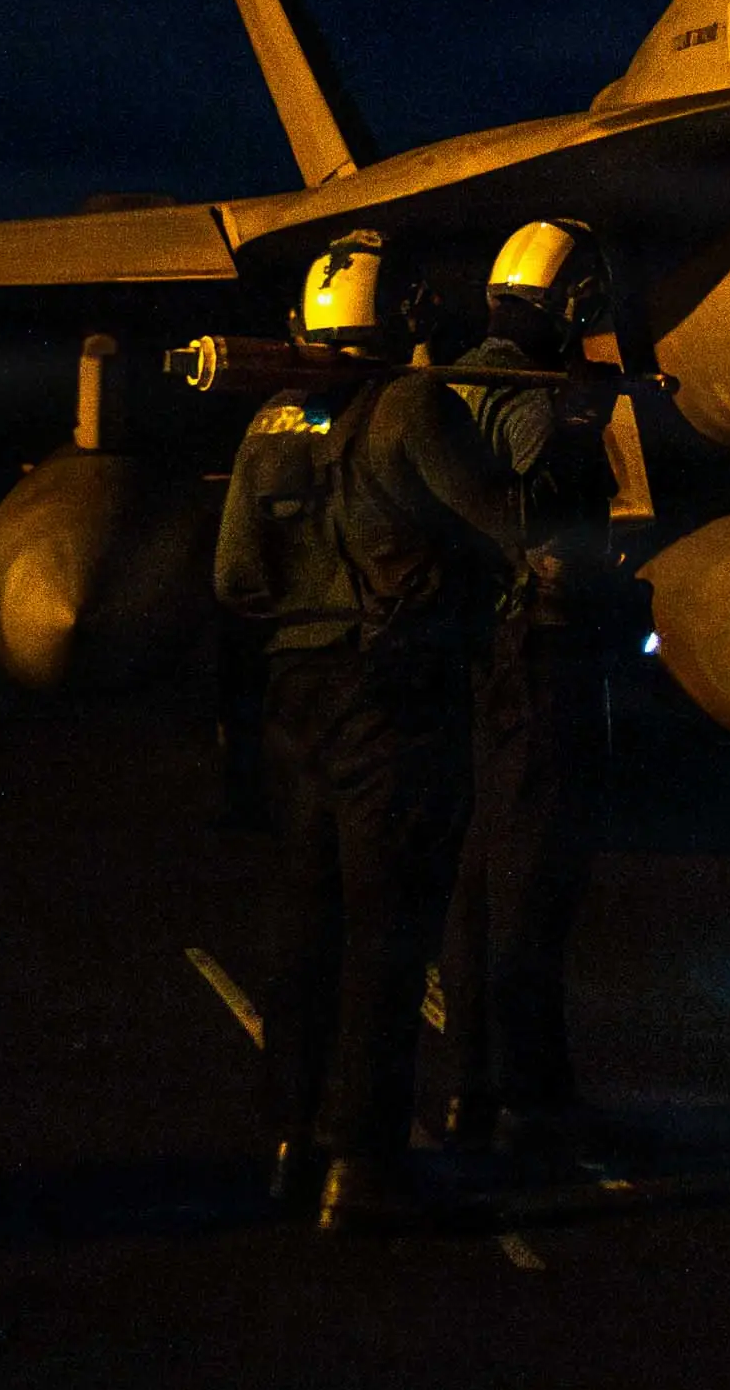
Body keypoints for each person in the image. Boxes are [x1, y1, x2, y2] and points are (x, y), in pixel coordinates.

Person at [214, 230, 527, 1233]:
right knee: (388, 940)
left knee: (303, 929)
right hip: (395, 699)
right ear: (403, 316)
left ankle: (285, 1146)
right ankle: (364, 1165)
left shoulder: (273, 414)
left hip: (292, 694)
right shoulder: (412, 408)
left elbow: (233, 577)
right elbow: (506, 529)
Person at [435, 219, 621, 1163]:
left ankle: (471, 1087)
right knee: (534, 885)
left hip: (471, 656)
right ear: (574, 300)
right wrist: (586, 430)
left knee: (476, 879)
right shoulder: (540, 405)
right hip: (539, 657)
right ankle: (532, 1104)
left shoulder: (455, 381)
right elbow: (551, 534)